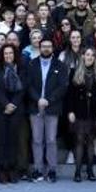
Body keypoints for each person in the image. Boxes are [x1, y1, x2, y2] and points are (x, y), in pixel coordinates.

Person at [27, 37, 69, 183]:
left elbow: (63, 86)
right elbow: (28, 85)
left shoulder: (60, 65)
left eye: (49, 46)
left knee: (51, 140)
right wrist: (38, 99)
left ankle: (52, 170)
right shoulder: (31, 64)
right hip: (35, 106)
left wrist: (48, 100)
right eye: (43, 46)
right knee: (37, 140)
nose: (46, 49)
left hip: (52, 107)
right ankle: (38, 169)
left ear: (52, 48)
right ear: (39, 47)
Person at [66, 47, 96, 182]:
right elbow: (70, 95)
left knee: (90, 142)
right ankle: (77, 172)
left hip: (93, 112)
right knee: (78, 141)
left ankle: (90, 171)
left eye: (92, 55)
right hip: (79, 112)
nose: (89, 57)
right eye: (87, 55)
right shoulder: (74, 72)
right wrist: (70, 111)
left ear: (95, 58)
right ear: (83, 56)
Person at [0, 44, 27, 184]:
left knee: (13, 140)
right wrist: (6, 104)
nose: (8, 56)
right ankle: (2, 170)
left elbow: (23, 89)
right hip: (0, 109)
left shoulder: (21, 68)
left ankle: (12, 169)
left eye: (10, 53)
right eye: (6, 53)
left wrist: (13, 104)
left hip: (16, 109)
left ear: (14, 54)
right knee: (2, 141)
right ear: (2, 55)